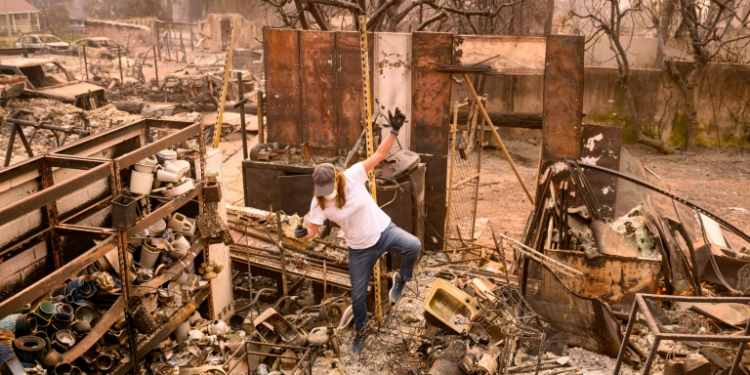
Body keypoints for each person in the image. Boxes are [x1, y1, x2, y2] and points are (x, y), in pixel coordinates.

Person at [294, 108, 422, 354]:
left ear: (337, 178)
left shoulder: (353, 175)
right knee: (358, 295)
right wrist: (303, 234)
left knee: (413, 246)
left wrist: (394, 130)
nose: (326, 193)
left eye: (329, 187)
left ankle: (401, 280)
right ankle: (361, 333)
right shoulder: (318, 202)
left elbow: (381, 154)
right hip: (359, 249)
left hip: (383, 231)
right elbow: (312, 230)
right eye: (322, 189)